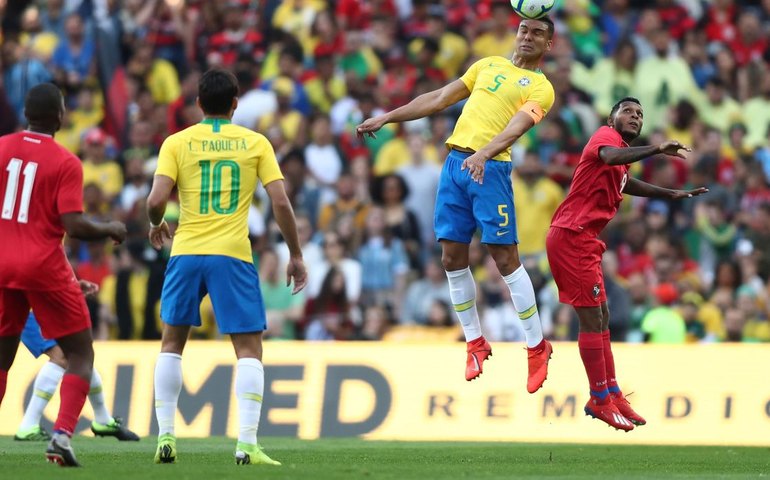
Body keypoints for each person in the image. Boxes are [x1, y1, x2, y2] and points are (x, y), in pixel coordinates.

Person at [357, 17, 555, 392]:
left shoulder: (542, 88)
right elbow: (437, 98)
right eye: (524, 30)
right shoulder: (487, 64)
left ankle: (536, 346)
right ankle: (475, 342)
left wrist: (483, 153)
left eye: (538, 33)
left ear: (549, 44)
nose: (528, 37)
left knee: (504, 257)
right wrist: (387, 117)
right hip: (455, 166)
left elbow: (516, 127)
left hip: (490, 169)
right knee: (451, 257)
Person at [146, 68, 307, 466]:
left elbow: (154, 201)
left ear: (198, 103)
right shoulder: (256, 143)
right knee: (249, 349)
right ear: (235, 103)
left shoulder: (176, 142)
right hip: (232, 254)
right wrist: (296, 254)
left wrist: (156, 224)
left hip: (185, 251)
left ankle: (166, 436)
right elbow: (281, 204)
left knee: (171, 343)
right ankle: (247, 444)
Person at [545, 97, 708, 432]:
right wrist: (657, 148)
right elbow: (609, 156)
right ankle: (598, 397)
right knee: (591, 318)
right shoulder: (605, 138)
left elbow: (625, 181)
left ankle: (613, 392)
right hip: (571, 235)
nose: (635, 117)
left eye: (640, 114)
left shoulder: (619, 157)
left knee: (602, 316)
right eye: (628, 112)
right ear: (611, 117)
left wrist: (669, 194)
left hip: (585, 239)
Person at [0, 83, 127, 467]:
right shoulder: (66, 162)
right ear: (60, 116)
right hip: (43, 267)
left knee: (2, 360)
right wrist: (109, 228)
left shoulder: (1, 147)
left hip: (2, 265)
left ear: (25, 113)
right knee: (79, 353)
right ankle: (61, 436)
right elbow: (72, 225)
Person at [15, 290, 139, 442]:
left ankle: (103, 419)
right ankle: (29, 424)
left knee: (80, 355)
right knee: (63, 356)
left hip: (46, 303)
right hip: (25, 306)